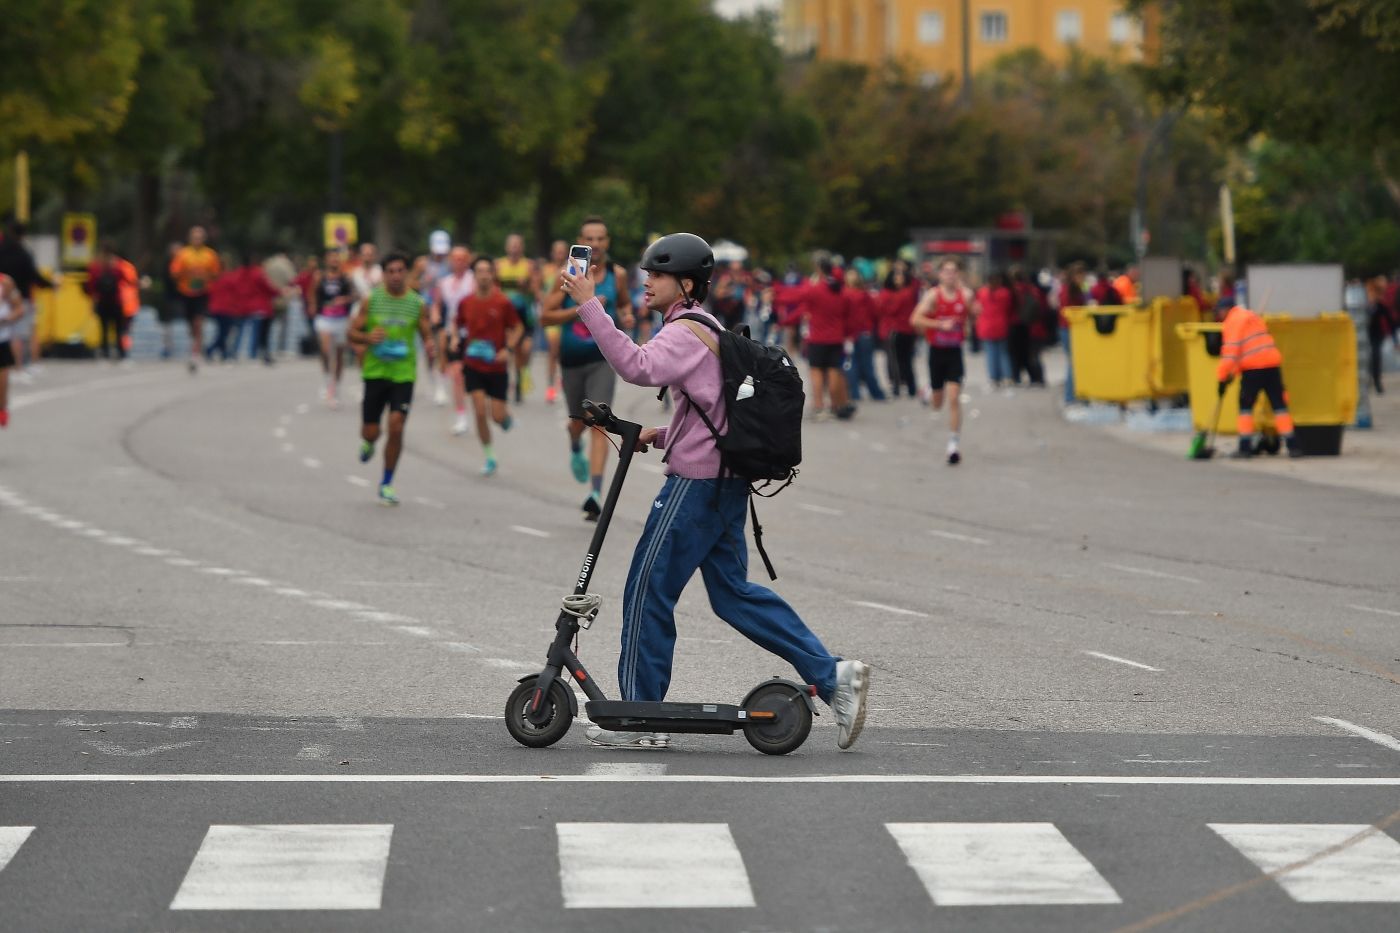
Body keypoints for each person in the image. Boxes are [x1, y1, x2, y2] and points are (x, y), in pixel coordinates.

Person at [559, 232, 871, 751]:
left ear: (684, 283)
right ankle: (834, 675)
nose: (646, 283)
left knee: (645, 591)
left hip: (696, 488)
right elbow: (710, 407)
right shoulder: (705, 327)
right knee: (733, 595)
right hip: (725, 483)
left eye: (655, 276)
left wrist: (588, 302)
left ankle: (641, 716)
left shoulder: (685, 330)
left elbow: (636, 367)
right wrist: (662, 435)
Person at [540, 216, 634, 520]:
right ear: (580, 241)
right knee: (578, 422)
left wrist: (628, 315)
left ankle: (595, 493)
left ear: (608, 242)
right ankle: (574, 443)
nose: (595, 244)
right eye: (589, 239)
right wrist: (581, 305)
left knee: (599, 418)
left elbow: (623, 305)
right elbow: (545, 317)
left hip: (602, 358)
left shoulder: (617, 275)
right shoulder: (565, 276)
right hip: (572, 360)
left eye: (601, 239)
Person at [350, 252, 436, 505]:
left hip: (403, 374)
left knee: (396, 426)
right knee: (371, 431)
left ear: (407, 273)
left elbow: (425, 332)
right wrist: (367, 338)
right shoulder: (372, 300)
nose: (396, 276)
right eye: (391, 271)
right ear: (384, 274)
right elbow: (351, 332)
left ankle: (386, 482)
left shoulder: (416, 303)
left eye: (401, 271)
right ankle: (369, 442)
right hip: (375, 372)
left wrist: (431, 345)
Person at [453, 257, 523, 476]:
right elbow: (457, 325)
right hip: (473, 364)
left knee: (497, 416)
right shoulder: (466, 302)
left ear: (493, 275)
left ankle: (506, 418)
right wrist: (455, 339)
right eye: (480, 271)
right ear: (474, 275)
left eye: (487, 271)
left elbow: (518, 327)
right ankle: (490, 456)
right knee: (480, 410)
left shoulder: (502, 302)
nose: (484, 275)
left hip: (496, 367)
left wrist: (508, 349)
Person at [911, 258, 976, 465]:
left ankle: (953, 445)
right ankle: (929, 392)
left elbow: (975, 313)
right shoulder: (933, 295)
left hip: (955, 352)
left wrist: (970, 320)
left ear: (958, 274)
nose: (950, 275)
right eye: (946, 271)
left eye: (953, 271)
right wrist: (939, 325)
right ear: (940, 275)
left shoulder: (965, 295)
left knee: (954, 397)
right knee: (937, 405)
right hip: (936, 352)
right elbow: (915, 319)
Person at [1217, 304, 1300, 458]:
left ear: (1225, 310)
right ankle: (1293, 446)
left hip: (1253, 369)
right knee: (1280, 406)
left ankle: (1245, 447)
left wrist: (1222, 378)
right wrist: (1232, 375)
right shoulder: (1252, 317)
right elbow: (1244, 350)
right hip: (1272, 366)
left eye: (1219, 312)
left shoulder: (1233, 321)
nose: (1219, 316)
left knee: (1245, 408)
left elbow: (1231, 354)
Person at [794, 258, 853, 420]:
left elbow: (798, 300)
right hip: (837, 338)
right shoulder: (841, 292)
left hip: (817, 338)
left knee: (816, 372)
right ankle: (835, 405)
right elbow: (848, 315)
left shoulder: (815, 290)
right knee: (834, 371)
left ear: (819, 270)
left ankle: (819, 407)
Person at [0, 219, 54, 382]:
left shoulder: (2, 251)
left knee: (10, 334)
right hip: (20, 296)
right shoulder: (24, 253)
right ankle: (20, 366)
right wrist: (50, 284)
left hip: (3, 297)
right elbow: (34, 275)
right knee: (21, 333)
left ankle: (16, 366)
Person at [431, 246, 476, 435]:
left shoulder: (474, 279)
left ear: (467, 261)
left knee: (473, 377)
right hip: (453, 331)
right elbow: (437, 305)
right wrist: (435, 318)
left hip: (473, 332)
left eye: (462, 258)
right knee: (457, 374)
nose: (458, 262)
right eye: (455, 258)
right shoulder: (444, 282)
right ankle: (461, 417)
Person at [169, 225, 222, 374]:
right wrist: (187, 273)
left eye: (200, 237)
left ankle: (195, 353)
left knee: (198, 322)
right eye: (194, 237)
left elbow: (216, 273)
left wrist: (204, 276)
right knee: (190, 324)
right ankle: (195, 342)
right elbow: (174, 273)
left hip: (202, 292)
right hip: (186, 292)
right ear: (190, 238)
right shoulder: (183, 254)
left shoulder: (210, 255)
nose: (197, 239)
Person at [496, 234, 538, 403]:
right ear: (506, 247)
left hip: (525, 314)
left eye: (517, 245)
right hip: (506, 316)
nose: (514, 248)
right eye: (511, 245)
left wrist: (526, 286)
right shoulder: (499, 265)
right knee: (511, 349)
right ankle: (512, 381)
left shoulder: (528, 265)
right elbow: (493, 288)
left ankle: (522, 373)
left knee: (525, 349)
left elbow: (536, 290)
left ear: (522, 248)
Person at [312, 248, 356, 406]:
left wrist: (345, 299)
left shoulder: (346, 278)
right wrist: (313, 310)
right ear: (326, 260)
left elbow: (354, 295)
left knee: (338, 355)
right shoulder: (320, 277)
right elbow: (313, 294)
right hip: (324, 317)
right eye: (331, 258)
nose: (334, 261)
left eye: (337, 258)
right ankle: (326, 378)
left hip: (341, 318)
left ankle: (335, 387)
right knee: (325, 350)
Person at [86, 243, 139, 361]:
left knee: (104, 328)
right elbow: (128, 280)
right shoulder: (118, 265)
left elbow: (91, 284)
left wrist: (92, 297)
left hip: (102, 300)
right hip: (116, 300)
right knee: (118, 328)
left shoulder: (96, 266)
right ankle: (121, 353)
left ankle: (105, 352)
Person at [418, 230, 453, 406]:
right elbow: (411, 283)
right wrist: (424, 282)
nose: (440, 254)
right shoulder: (422, 264)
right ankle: (432, 379)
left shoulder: (452, 264)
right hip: (426, 308)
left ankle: (441, 384)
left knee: (442, 346)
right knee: (429, 348)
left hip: (444, 308)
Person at [842, 268, 886, 402]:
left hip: (849, 334)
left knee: (851, 364)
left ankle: (854, 393)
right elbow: (875, 312)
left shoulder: (843, 294)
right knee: (867, 364)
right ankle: (876, 393)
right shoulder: (865, 295)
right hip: (865, 333)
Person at [879, 260, 920, 398]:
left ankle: (904, 385)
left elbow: (891, 309)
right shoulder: (900, 292)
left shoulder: (904, 293)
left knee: (901, 360)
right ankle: (904, 386)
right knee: (899, 360)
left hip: (900, 329)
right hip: (898, 329)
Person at [539, 239, 569, 404]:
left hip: (566, 315)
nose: (559, 254)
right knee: (553, 350)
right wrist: (544, 300)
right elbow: (538, 288)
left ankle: (564, 381)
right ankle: (550, 386)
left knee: (563, 351)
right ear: (552, 253)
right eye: (557, 251)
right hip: (552, 315)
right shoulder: (546, 270)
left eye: (562, 251)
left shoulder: (571, 269)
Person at [974, 270, 1014, 388]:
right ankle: (1007, 376)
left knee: (990, 354)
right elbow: (1008, 308)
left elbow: (978, 307)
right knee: (1003, 353)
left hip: (986, 326)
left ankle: (993, 378)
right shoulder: (1005, 293)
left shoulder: (982, 292)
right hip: (1001, 325)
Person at [1056, 263, 1088, 405]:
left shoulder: (1076, 289)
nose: (1083, 278)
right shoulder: (1067, 290)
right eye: (1080, 275)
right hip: (1068, 328)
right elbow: (1067, 310)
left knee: (1075, 361)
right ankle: (1070, 395)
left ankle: (1075, 394)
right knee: (1074, 362)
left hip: (1072, 328)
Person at [1366, 275, 1397, 394]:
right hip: (1366, 334)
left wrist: (1395, 340)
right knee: (1366, 357)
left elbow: (1391, 322)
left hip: (1377, 334)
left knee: (1375, 356)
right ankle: (1369, 380)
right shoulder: (1365, 306)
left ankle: (1377, 381)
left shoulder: (1381, 306)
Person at [0, 273, 21, 427]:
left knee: (2, 383)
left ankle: (2, 409)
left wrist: (8, 318)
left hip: (1, 340)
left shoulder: (5, 282)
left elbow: (19, 308)